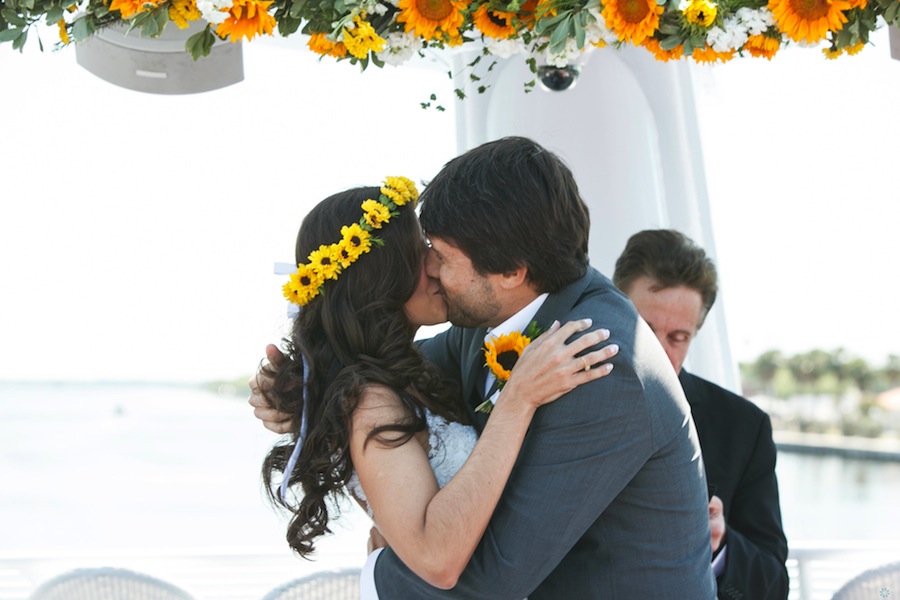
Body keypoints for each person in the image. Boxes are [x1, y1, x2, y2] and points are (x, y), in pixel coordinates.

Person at [252, 137, 717, 599]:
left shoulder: (598, 362)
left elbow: (492, 578)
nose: (429, 268)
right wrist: (299, 394)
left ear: (511, 271)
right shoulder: (485, 322)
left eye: (441, 255)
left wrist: (376, 571)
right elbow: (380, 374)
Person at [255, 178, 618, 590]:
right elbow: (436, 559)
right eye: (417, 255)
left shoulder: (408, 372)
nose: (433, 266)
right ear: (378, 279)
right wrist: (517, 401)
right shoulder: (370, 403)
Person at [613, 229, 789, 600]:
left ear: (695, 334)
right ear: (613, 307)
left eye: (677, 337)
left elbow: (773, 583)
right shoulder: (558, 395)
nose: (657, 352)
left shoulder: (744, 427)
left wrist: (719, 543)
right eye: (643, 328)